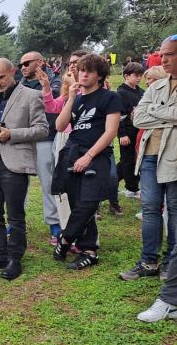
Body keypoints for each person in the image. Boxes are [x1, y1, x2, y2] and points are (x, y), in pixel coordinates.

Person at [0, 58, 49, 280]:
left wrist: (12, 134)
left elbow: (42, 129)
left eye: (1, 77)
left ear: (12, 72)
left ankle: (15, 259)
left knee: (15, 215)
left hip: (14, 163)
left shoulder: (31, 96)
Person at [51, 54, 122, 270]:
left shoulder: (109, 97)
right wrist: (71, 98)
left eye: (89, 71)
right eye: (81, 70)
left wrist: (89, 156)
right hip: (72, 152)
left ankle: (65, 239)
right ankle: (88, 250)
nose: (83, 74)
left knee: (89, 202)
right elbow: (60, 126)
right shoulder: (77, 98)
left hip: (96, 155)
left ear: (99, 75)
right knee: (76, 202)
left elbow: (111, 131)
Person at [125, 36, 177, 285]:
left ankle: (172, 263)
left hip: (173, 157)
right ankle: (148, 261)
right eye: (162, 54)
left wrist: (153, 112)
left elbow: (146, 114)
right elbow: (137, 119)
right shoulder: (156, 87)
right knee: (150, 209)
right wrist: (168, 117)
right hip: (148, 155)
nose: (163, 59)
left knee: (175, 211)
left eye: (170, 54)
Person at [19, 54, 64, 243]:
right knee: (18, 184)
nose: (22, 67)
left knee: (48, 182)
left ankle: (54, 223)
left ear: (40, 62)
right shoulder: (18, 84)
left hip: (45, 137)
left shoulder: (55, 81)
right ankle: (16, 224)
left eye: (27, 63)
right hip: (21, 137)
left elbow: (49, 100)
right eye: (20, 64)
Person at [115, 62, 144, 200]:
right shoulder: (121, 93)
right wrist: (122, 134)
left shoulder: (140, 91)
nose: (139, 78)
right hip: (127, 132)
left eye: (141, 75)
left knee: (131, 160)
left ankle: (110, 181)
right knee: (128, 161)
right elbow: (119, 116)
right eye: (136, 75)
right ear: (126, 75)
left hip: (139, 132)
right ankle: (131, 188)